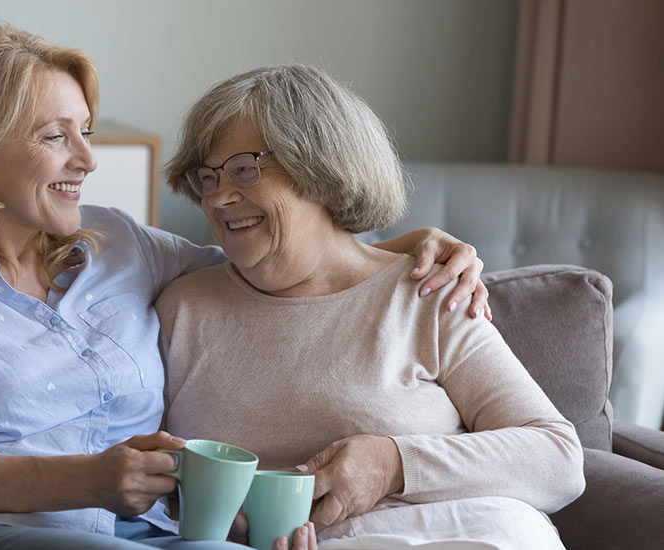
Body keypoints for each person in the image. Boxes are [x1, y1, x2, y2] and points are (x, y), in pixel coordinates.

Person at [0, 25, 489, 550]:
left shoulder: (121, 244)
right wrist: (84, 480)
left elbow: (273, 256)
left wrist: (409, 246)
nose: (87, 160)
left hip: (150, 532)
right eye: (54, 136)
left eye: (85, 132)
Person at [157, 64, 586, 550]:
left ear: (319, 167)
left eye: (243, 169)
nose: (219, 198)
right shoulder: (181, 309)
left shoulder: (428, 291)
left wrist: (393, 465)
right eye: (207, 178)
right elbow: (143, 476)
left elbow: (558, 459)